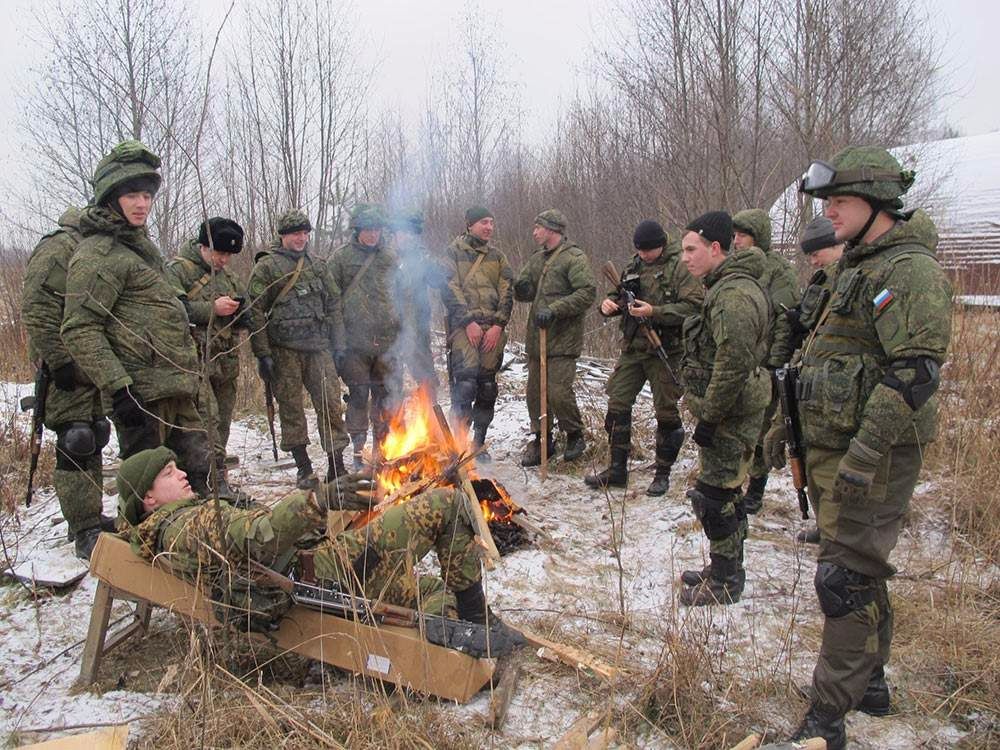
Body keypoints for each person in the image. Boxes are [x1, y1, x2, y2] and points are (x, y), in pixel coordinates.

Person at [779, 147, 951, 749]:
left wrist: (862, 456)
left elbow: (915, 372)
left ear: (877, 203)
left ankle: (826, 720)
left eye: (840, 202)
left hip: (871, 452)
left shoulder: (907, 271)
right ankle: (870, 682)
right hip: (836, 445)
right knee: (861, 569)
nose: (829, 213)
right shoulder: (856, 265)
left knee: (843, 578)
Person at [114, 446, 524, 654]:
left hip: (315, 567)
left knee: (437, 587)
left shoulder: (177, 523)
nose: (182, 474)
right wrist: (318, 500)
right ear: (148, 500)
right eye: (168, 474)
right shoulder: (186, 524)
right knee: (446, 504)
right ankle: (476, 623)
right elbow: (260, 535)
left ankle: (447, 626)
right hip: (324, 576)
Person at [62, 140, 212, 499]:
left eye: (147, 195)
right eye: (132, 195)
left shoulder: (141, 249)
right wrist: (119, 388)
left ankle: (203, 543)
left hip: (177, 387)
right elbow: (80, 328)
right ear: (111, 197)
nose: (142, 203)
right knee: (149, 492)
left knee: (196, 477)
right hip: (142, 396)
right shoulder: (99, 254)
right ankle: (140, 552)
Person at [677, 211, 771, 606]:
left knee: (715, 496)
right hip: (728, 409)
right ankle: (724, 565)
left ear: (715, 248)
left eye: (690, 249)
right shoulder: (721, 288)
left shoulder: (732, 296)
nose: (684, 258)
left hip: (731, 413)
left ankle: (726, 581)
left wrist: (710, 417)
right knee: (724, 492)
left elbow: (732, 366)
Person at [21, 207, 114, 559]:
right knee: (77, 439)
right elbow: (36, 307)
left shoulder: (98, 249)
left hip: (92, 359)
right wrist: (59, 359)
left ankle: (92, 515)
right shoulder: (60, 247)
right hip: (66, 363)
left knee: (97, 432)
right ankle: (83, 529)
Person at [585, 220, 703, 495]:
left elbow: (694, 308)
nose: (643, 256)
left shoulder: (680, 267)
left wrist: (654, 311)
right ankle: (616, 470)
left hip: (666, 350)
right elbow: (616, 297)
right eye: (639, 251)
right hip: (633, 349)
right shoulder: (632, 266)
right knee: (617, 403)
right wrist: (608, 306)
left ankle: (662, 473)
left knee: (666, 411)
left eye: (648, 251)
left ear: (661, 245)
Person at [246, 209, 349, 487]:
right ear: (283, 236)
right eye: (295, 233)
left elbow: (334, 304)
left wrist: (339, 346)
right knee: (291, 408)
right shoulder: (266, 267)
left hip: (319, 348)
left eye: (305, 233)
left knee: (330, 404)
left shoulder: (318, 265)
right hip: (284, 350)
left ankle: (336, 466)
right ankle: (304, 468)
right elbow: (255, 312)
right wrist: (263, 353)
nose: (301, 238)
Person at [767, 215, 846, 545]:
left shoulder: (847, 280)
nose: (813, 259)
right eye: (809, 254)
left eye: (818, 252)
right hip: (811, 373)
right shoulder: (822, 281)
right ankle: (823, 524)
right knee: (811, 461)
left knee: (832, 469)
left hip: (838, 385)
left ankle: (836, 533)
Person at [165, 217, 249, 503]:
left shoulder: (229, 277)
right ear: (202, 246)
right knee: (206, 421)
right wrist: (211, 309)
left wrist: (242, 312)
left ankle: (216, 476)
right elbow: (173, 311)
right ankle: (207, 481)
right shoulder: (179, 271)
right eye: (219, 253)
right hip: (194, 362)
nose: (223, 260)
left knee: (222, 422)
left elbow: (243, 313)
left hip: (225, 362)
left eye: (228, 255)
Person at [514, 209, 596, 466]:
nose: (534, 232)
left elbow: (587, 293)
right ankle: (542, 440)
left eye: (538, 228)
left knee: (559, 392)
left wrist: (555, 310)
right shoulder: (537, 259)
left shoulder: (574, 258)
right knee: (534, 393)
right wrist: (521, 288)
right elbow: (526, 291)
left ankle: (574, 435)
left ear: (551, 230)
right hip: (537, 339)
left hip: (562, 339)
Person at [731, 209, 800, 514]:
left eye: (742, 236)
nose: (736, 242)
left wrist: (776, 363)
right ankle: (733, 481)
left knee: (759, 430)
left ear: (758, 237)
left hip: (766, 364)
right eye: (734, 236)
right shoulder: (736, 267)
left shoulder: (778, 270)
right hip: (740, 360)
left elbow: (785, 320)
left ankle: (755, 489)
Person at [328, 204, 402, 469]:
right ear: (357, 230)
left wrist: (403, 331)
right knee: (358, 396)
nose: (373, 235)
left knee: (386, 396)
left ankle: (381, 449)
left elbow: (401, 295)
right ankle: (359, 452)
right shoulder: (340, 259)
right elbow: (331, 302)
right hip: (354, 343)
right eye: (368, 230)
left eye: (377, 230)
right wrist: (336, 343)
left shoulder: (390, 258)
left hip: (387, 342)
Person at [439, 206, 514, 460]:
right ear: (470, 224)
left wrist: (498, 325)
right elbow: (449, 287)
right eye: (484, 222)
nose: (489, 227)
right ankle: (458, 444)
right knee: (465, 385)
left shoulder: (498, 257)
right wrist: (468, 321)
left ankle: (478, 443)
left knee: (487, 387)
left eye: (492, 222)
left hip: (492, 328)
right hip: (464, 328)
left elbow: (507, 291)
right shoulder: (453, 252)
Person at [391, 209, 442, 399]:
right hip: (388, 333)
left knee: (426, 380)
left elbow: (439, 281)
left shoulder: (421, 258)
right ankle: (393, 425)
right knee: (390, 385)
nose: (406, 237)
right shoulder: (384, 259)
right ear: (394, 234)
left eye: (410, 233)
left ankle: (432, 423)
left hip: (417, 332)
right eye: (402, 232)